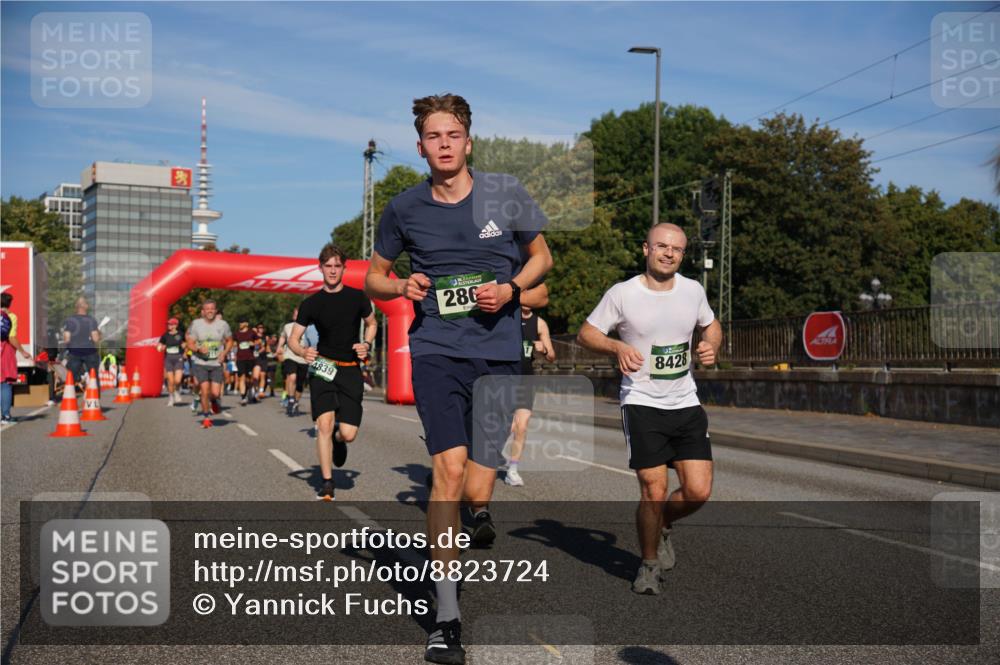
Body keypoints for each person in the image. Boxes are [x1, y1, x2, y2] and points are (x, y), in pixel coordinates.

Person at [364, 93, 552, 665]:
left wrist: (512, 289)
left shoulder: (505, 193)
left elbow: (542, 258)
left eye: (452, 135)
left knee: (477, 488)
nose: (443, 145)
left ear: (468, 142)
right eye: (433, 137)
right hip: (436, 351)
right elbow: (374, 278)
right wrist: (401, 287)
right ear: (420, 147)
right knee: (446, 471)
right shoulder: (403, 208)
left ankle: (472, 513)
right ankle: (446, 618)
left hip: (498, 355)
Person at [577, 222, 722, 596]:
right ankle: (648, 565)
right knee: (653, 490)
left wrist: (711, 346)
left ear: (682, 254)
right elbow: (587, 333)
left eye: (676, 249)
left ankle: (663, 526)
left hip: (685, 402)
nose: (669, 253)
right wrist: (617, 347)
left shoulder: (692, 290)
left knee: (698, 491)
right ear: (646, 249)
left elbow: (711, 325)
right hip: (641, 403)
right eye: (662, 246)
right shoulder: (623, 294)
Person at [288, 243, 377, 501]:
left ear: (344, 268)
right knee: (323, 424)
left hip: (349, 369)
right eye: (328, 266)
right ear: (321, 268)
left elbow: (371, 324)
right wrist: (303, 351)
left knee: (348, 433)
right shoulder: (311, 303)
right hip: (323, 367)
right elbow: (293, 339)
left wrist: (366, 343)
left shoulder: (357, 297)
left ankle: (339, 440)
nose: (333, 270)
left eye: (337, 266)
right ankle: (327, 482)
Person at [504, 303, 556, 487]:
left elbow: (551, 356)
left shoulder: (539, 323)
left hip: (526, 379)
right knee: (504, 425)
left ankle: (512, 470)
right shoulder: (508, 317)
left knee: (522, 425)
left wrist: (544, 349)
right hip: (505, 377)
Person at [185, 300, 233, 428]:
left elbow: (230, 341)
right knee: (205, 391)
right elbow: (190, 343)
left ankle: (214, 401)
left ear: (215, 310)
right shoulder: (196, 324)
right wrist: (198, 349)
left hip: (216, 363)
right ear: (203, 311)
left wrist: (224, 353)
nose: (210, 311)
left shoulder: (223, 325)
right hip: (201, 363)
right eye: (207, 309)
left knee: (215, 393)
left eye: (212, 308)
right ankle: (206, 418)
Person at [1, 292, 32, 423]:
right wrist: (23, 351)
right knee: (5, 383)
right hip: (5, 351)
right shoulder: (11, 316)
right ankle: (6, 415)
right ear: (10, 303)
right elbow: (11, 337)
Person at [278, 307, 310, 417]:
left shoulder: (309, 327)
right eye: (296, 314)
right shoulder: (287, 326)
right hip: (290, 356)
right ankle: (291, 400)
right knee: (292, 377)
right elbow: (283, 337)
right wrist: (279, 347)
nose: (297, 316)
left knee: (300, 384)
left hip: (304, 358)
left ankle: (295, 403)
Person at [62, 297, 101, 387]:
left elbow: (67, 339)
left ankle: (69, 393)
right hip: (89, 351)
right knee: (94, 376)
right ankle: (95, 395)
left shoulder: (70, 320)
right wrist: (99, 334)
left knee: (71, 377)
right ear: (86, 306)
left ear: (76, 307)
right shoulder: (91, 320)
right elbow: (95, 339)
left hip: (75, 351)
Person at [156, 317, 185, 406]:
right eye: (168, 324)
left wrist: (185, 348)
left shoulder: (181, 334)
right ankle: (171, 397)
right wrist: (160, 348)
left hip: (178, 358)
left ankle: (176, 391)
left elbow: (186, 343)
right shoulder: (165, 335)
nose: (169, 325)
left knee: (178, 380)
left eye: (171, 324)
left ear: (176, 325)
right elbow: (159, 346)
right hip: (168, 358)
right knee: (171, 380)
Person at [233, 319, 260, 406]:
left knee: (249, 379)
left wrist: (254, 344)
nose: (240, 324)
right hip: (240, 358)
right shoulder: (236, 333)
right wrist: (234, 349)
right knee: (242, 377)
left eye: (241, 322)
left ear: (246, 324)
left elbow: (259, 342)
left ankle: (250, 390)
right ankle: (243, 397)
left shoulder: (252, 332)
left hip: (250, 359)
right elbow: (233, 344)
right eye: (239, 322)